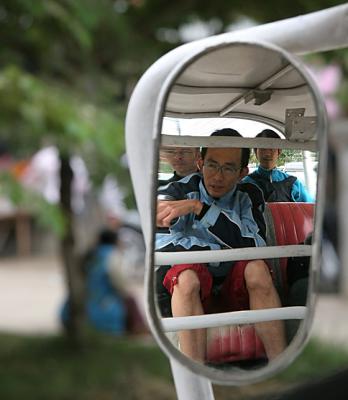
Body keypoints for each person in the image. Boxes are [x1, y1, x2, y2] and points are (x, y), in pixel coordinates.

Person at [156, 128, 286, 363]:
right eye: (212, 165)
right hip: (192, 290)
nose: (217, 176)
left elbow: (257, 245)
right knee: (185, 276)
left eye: (228, 168)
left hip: (237, 288)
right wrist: (222, 252)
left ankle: (281, 365)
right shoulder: (175, 191)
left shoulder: (249, 194)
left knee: (256, 268)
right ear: (200, 162)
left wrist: (200, 209)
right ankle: (194, 377)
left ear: (242, 172)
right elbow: (162, 244)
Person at [243, 129, 314, 202]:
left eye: (271, 149)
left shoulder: (293, 184)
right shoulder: (245, 183)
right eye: (263, 149)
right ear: (255, 152)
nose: (267, 153)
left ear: (279, 151)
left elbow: (311, 208)